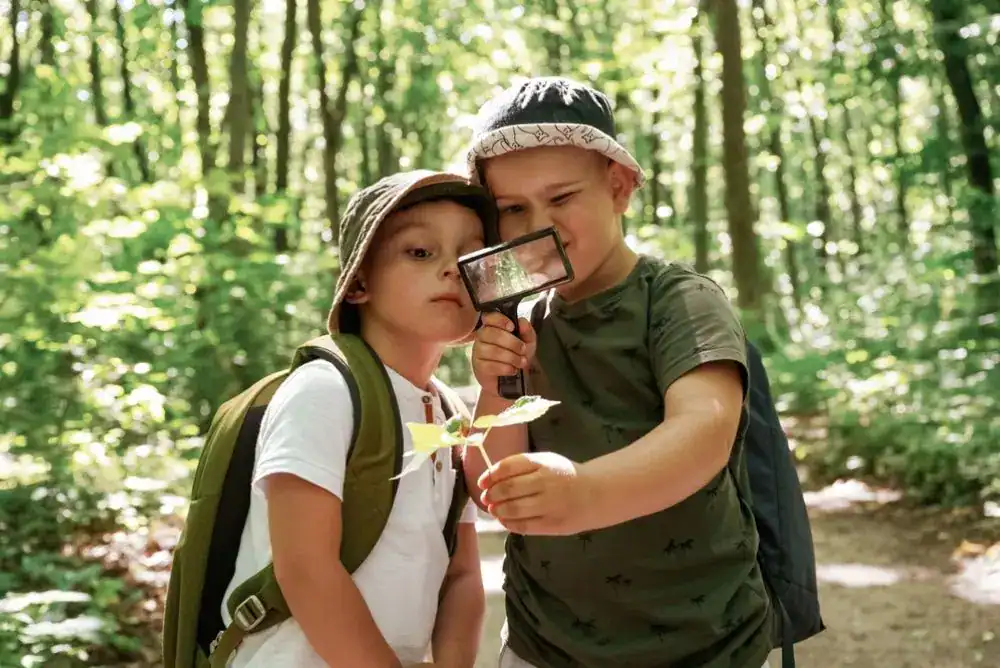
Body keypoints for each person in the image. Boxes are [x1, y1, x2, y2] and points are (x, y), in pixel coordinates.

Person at [463, 77, 775, 668]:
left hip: (701, 643)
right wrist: (494, 386)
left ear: (619, 187)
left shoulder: (679, 301)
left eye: (561, 198)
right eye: (512, 208)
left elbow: (704, 430)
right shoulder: (521, 321)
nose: (540, 224)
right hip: (543, 643)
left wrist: (584, 493)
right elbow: (496, 487)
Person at [222, 170, 494, 668]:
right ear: (359, 283)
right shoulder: (325, 390)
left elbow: (461, 575)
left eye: (471, 253)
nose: (454, 269)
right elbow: (306, 568)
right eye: (420, 252)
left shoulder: (451, 413)